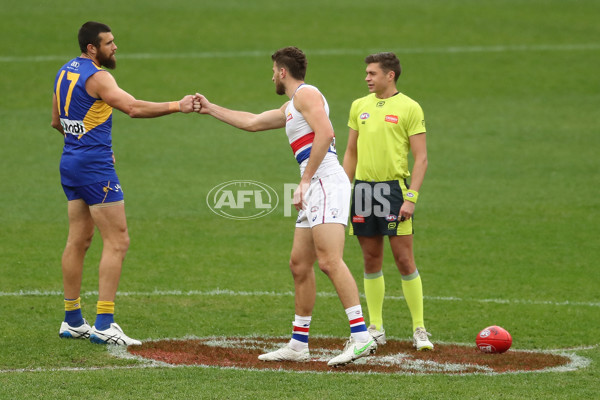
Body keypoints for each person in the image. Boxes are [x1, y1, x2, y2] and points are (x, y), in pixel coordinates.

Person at [195, 46, 376, 366]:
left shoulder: (306, 95)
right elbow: (252, 121)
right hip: (314, 184)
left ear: (281, 71)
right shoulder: (292, 105)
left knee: (330, 261)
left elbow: (326, 133)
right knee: (299, 264)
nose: (272, 77)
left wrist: (304, 181)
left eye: (273, 71)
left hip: (325, 182)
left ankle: (362, 337)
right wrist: (210, 109)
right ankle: (298, 343)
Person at [51, 21, 196, 345]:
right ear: (92, 48)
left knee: (78, 239)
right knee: (118, 240)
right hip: (94, 169)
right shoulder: (99, 77)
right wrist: (178, 105)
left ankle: (72, 319)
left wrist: (81, 144)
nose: (115, 47)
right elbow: (131, 107)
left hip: (71, 164)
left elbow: (56, 122)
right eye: (109, 43)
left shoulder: (64, 72)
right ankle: (104, 323)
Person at [342, 52, 433, 351]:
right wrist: (345, 188)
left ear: (389, 75)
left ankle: (419, 328)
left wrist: (411, 198)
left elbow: (421, 158)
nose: (367, 78)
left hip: (394, 192)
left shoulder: (409, 107)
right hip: (364, 191)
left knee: (404, 260)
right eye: (366, 73)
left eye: (372, 73)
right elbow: (351, 152)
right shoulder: (359, 106)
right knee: (370, 260)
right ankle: (376, 327)